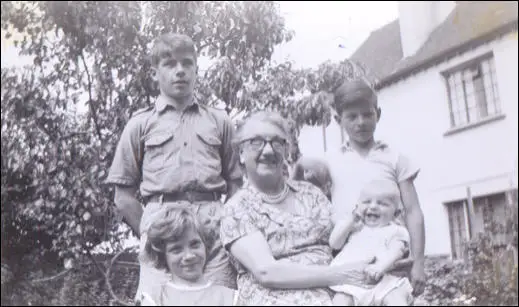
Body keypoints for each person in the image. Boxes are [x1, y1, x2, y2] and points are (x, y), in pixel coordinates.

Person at [105, 33, 242, 302]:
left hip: (213, 233)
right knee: (157, 300)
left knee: (220, 300)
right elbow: (123, 197)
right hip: (163, 232)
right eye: (170, 64)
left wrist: (224, 223)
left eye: (187, 63)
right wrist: (152, 232)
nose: (180, 71)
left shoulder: (219, 121)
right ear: (155, 73)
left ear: (196, 69)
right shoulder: (140, 124)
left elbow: (236, 184)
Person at [219, 111, 370, 306]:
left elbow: (345, 237)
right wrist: (343, 274)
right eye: (256, 142)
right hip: (277, 297)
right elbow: (267, 272)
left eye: (277, 142)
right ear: (241, 153)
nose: (268, 151)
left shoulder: (311, 193)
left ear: (286, 150)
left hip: (339, 290)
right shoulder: (237, 208)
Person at [325, 79, 426, 295]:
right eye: (352, 116)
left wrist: (418, 263)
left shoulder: (395, 158)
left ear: (377, 114)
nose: (360, 122)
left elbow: (413, 211)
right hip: (348, 257)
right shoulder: (330, 161)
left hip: (390, 257)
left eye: (367, 114)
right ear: (338, 119)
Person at [329, 181, 414, 306]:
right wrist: (351, 220)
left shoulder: (395, 231)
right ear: (357, 206)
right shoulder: (355, 227)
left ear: (396, 213)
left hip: (385, 281)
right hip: (351, 281)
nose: (373, 206)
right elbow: (334, 244)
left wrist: (380, 267)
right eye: (366, 202)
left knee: (396, 299)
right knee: (340, 301)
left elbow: (397, 251)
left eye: (382, 203)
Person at [138, 207, 236, 306]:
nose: (189, 256)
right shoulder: (155, 299)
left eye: (195, 245)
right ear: (163, 256)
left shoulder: (230, 298)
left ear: (205, 245)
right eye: (176, 250)